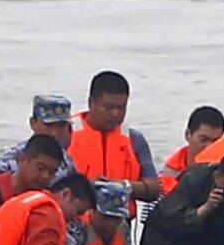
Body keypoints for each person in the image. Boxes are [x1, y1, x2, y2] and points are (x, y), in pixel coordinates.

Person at [67, 71, 162, 215]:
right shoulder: (66, 133)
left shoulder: (134, 138)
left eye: (121, 107)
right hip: (77, 224)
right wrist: (89, 187)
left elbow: (153, 189)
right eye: (109, 107)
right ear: (91, 102)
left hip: (120, 225)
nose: (115, 114)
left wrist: (122, 185)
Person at [0, 94, 76, 182]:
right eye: (49, 125)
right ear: (33, 123)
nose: (55, 132)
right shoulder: (11, 160)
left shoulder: (68, 163)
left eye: (61, 126)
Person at [0, 133, 66, 216]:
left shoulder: (48, 199)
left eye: (52, 172)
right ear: (22, 160)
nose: (45, 176)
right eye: (40, 168)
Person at [158, 106, 224, 196]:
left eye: (216, 141)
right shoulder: (163, 175)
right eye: (203, 139)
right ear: (187, 134)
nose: (209, 146)